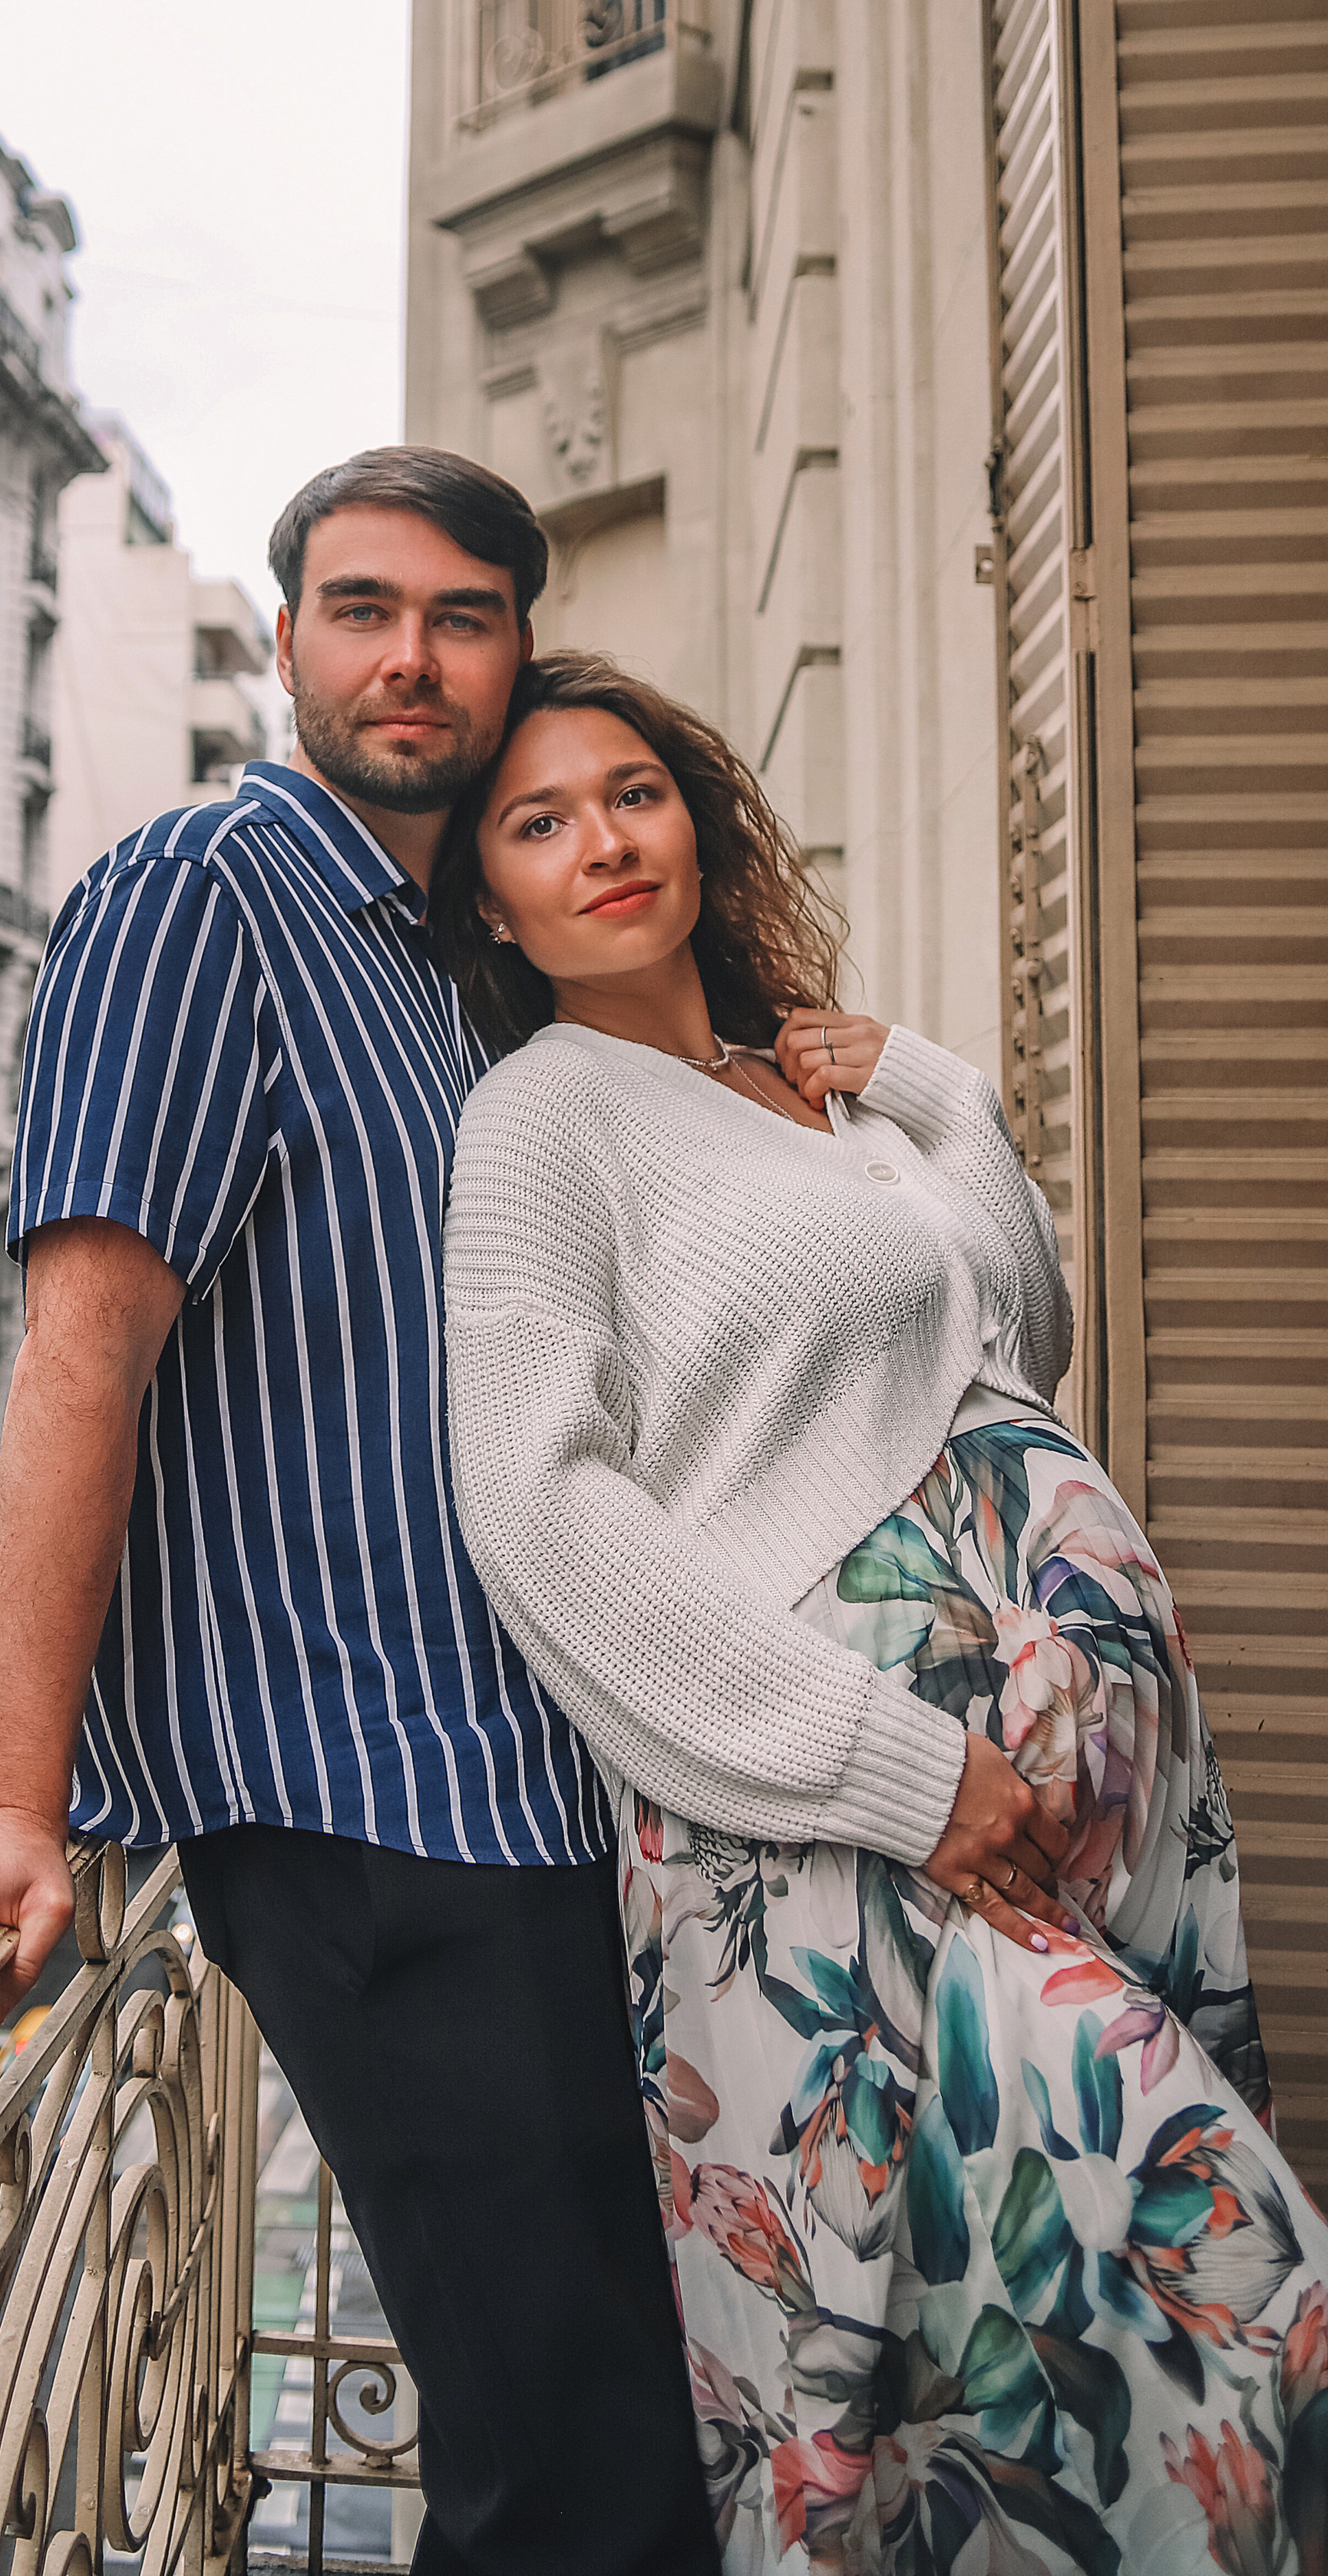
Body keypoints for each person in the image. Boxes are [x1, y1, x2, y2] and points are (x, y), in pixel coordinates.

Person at [0, 455, 719, 2574]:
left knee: (601, 2425)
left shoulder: (440, 963)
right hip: (357, 1805)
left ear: (517, 646)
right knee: (579, 2480)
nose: (410, 656)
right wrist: (10, 1800)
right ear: (289, 644)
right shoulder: (202, 896)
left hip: (525, 1791)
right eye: (363, 608)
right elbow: (86, 1348)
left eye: (458, 614)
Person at [434, 648, 1328, 2574]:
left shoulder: (799, 1085)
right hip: (854, 1825)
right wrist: (889, 1767)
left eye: (632, 793)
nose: (601, 841)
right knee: (1197, 2321)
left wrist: (925, 1088)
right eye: (537, 822)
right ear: (487, 897)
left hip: (1071, 1805)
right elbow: (531, 1501)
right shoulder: (540, 1123)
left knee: (1039, 2384)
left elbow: (1021, 1333)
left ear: (697, 814)